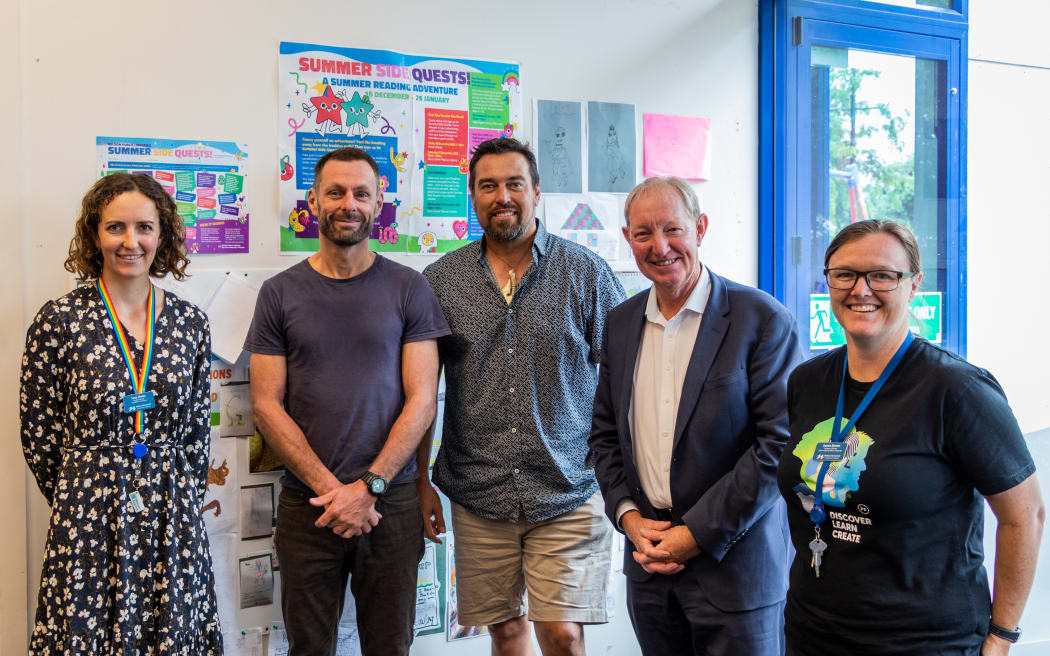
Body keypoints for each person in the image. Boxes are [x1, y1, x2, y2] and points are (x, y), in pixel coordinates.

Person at [777, 220, 1045, 656]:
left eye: (882, 275)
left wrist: (1002, 635)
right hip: (814, 632)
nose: (860, 289)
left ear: (914, 284)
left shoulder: (957, 390)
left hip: (926, 641)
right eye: (844, 274)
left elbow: (1025, 515)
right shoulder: (808, 381)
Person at [421, 137, 625, 656]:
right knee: (506, 632)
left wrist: (622, 480)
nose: (502, 195)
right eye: (488, 185)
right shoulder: (441, 280)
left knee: (561, 632)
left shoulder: (586, 272)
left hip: (569, 486)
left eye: (514, 183)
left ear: (536, 192)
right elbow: (421, 392)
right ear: (472, 196)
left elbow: (625, 381)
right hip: (478, 490)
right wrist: (422, 482)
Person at [245, 147, 449, 656]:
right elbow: (266, 405)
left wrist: (370, 486)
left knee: (389, 648)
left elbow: (423, 399)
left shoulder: (410, 287)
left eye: (361, 193)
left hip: (393, 502)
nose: (348, 203)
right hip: (307, 505)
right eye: (335, 192)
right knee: (309, 649)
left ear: (379, 203)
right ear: (313, 200)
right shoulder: (279, 292)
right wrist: (336, 493)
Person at [589, 177, 801, 655]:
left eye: (673, 229)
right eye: (643, 233)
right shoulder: (621, 324)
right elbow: (603, 436)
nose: (659, 246)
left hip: (736, 572)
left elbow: (780, 446)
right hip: (649, 564)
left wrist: (697, 534)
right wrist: (628, 519)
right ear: (628, 240)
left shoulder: (761, 319)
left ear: (700, 228)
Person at [20, 172, 222, 653]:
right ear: (95, 234)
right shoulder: (59, 320)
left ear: (162, 235)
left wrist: (175, 496)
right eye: (116, 228)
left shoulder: (190, 323)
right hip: (87, 516)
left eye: (144, 228)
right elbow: (38, 434)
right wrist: (87, 487)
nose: (131, 242)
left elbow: (196, 431)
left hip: (172, 515)